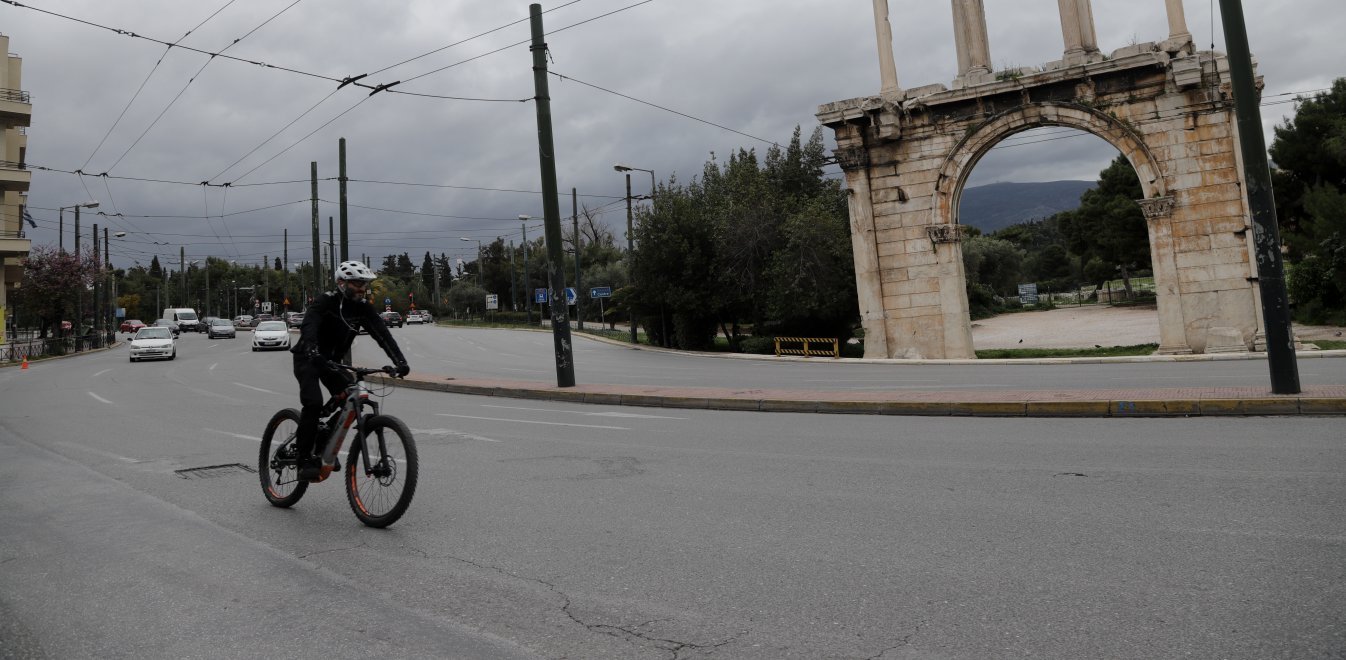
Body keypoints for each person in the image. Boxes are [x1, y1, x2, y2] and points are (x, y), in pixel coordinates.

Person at [290, 260, 410, 480]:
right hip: (308, 358)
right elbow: (310, 324)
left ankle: (327, 441)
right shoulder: (326, 301)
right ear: (341, 283)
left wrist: (400, 362)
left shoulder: (363, 308)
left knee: (352, 395)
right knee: (313, 403)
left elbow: (383, 335)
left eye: (364, 284)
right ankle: (303, 459)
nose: (362, 289)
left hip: (333, 363)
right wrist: (311, 348)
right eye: (357, 283)